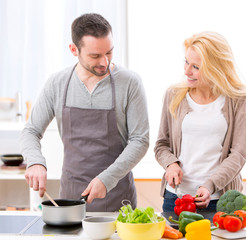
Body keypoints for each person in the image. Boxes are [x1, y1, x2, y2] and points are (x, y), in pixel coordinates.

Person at [20, 13, 149, 212]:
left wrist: (106, 180)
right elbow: (31, 131)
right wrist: (35, 162)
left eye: (109, 52)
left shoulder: (130, 82)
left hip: (117, 199)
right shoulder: (57, 83)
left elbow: (140, 140)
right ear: (74, 50)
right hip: (71, 199)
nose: (104, 62)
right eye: (95, 56)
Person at [154, 31, 246, 212]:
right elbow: (161, 144)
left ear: (216, 69)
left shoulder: (238, 100)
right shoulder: (174, 95)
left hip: (220, 200)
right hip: (176, 197)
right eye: (186, 62)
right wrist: (171, 164)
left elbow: (238, 154)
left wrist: (210, 185)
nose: (186, 71)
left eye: (196, 67)